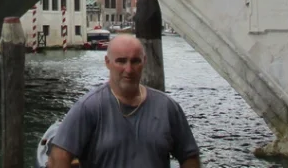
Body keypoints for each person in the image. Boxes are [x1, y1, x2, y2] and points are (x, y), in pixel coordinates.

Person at [48, 34, 200, 168]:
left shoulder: (167, 107)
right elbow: (58, 158)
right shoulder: (88, 107)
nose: (128, 69)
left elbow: (189, 157)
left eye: (135, 61)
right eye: (121, 61)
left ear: (144, 61)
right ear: (107, 62)